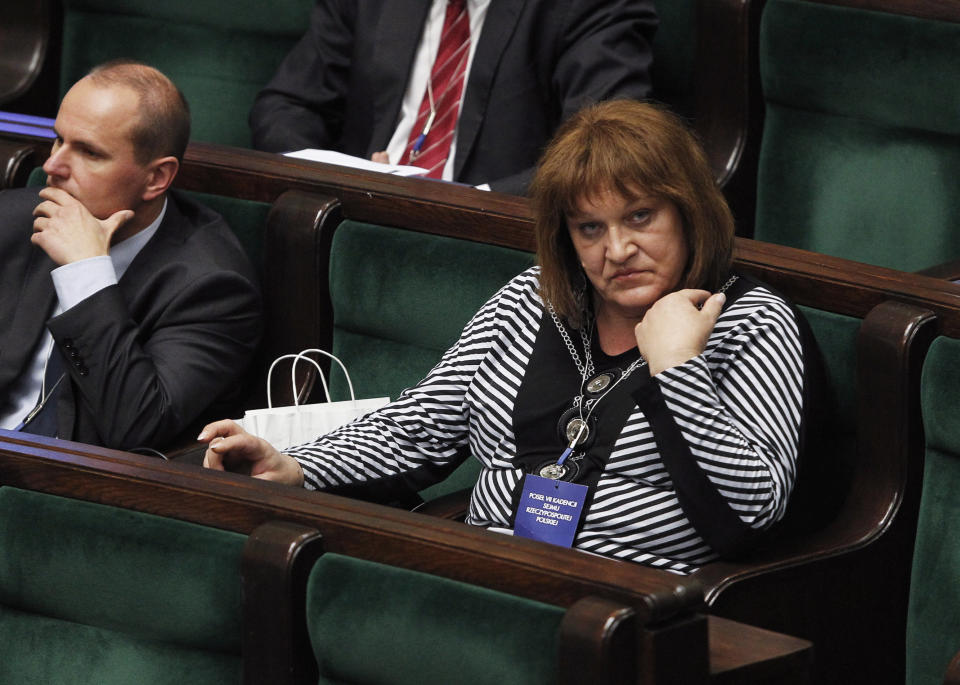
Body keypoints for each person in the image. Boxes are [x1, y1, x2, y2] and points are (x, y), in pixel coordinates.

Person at [203, 100, 816, 574]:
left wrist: (679, 367)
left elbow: (750, 512)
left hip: (636, 597)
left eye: (640, 216)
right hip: (489, 570)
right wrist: (296, 467)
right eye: (590, 228)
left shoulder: (751, 323)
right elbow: (419, 429)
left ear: (688, 211)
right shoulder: (532, 298)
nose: (618, 250)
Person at [0, 61, 262, 452]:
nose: (52, 166)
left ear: (156, 178)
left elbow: (135, 425)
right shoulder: (12, 221)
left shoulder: (214, 288)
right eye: (58, 140)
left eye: (89, 152)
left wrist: (84, 274)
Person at [249, 0, 657, 195]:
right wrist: (340, 176)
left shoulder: (589, 6)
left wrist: (463, 204)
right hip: (351, 217)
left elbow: (603, 150)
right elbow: (285, 106)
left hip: (490, 242)